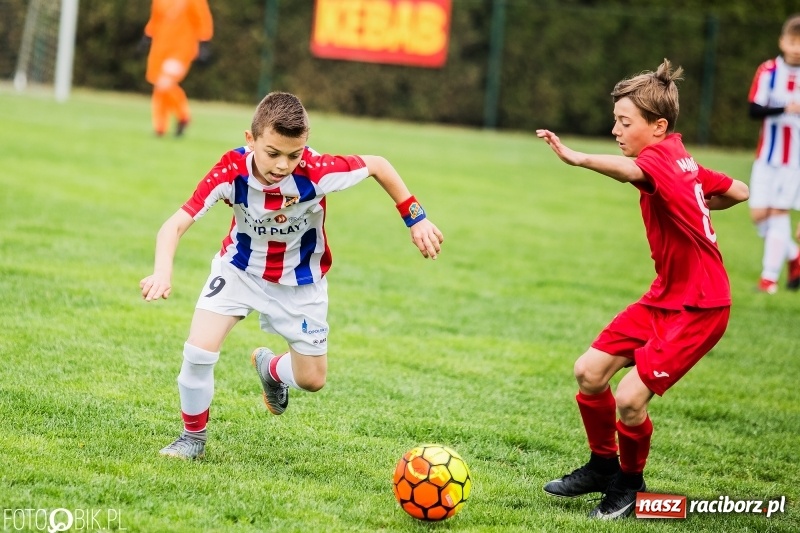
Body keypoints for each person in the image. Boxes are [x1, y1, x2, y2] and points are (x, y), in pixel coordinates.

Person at [140, 91, 444, 460]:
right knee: (198, 350)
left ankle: (271, 368)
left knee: (312, 380)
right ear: (250, 140)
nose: (284, 165)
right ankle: (193, 439)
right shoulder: (230, 171)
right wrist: (162, 271)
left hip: (301, 283)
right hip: (240, 271)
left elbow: (378, 164)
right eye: (273, 153)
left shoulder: (317, 171)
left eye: (294, 154)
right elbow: (174, 225)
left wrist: (416, 217)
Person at [535, 59, 749, 520]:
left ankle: (631, 487)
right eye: (615, 120)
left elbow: (628, 171)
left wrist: (577, 158)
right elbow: (741, 190)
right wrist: (699, 204)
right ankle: (601, 465)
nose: (615, 129)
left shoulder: (657, 162)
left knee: (630, 400)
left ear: (658, 126)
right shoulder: (680, 158)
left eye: (624, 122)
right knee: (590, 373)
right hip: (666, 296)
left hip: (702, 307)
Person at [747, 13, 800, 293]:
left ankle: (768, 279)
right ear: (782, 42)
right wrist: (784, 109)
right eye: (793, 41)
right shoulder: (768, 71)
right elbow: (754, 109)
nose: (797, 48)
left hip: (795, 162)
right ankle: (794, 255)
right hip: (766, 157)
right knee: (758, 215)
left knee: (779, 213)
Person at [139, 0, 214, 137]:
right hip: (160, 47)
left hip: (182, 49)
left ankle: (183, 116)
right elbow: (156, 18)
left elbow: (202, 19)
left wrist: (204, 43)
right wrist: (147, 36)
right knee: (160, 86)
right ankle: (161, 127)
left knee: (165, 83)